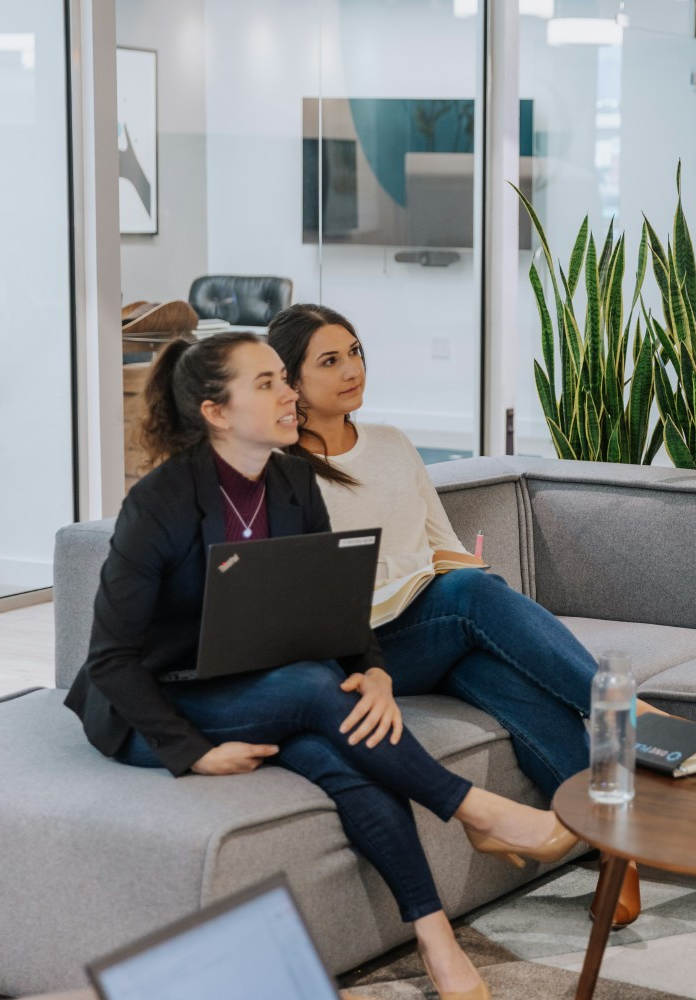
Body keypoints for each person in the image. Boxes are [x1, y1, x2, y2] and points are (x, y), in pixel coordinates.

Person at [64, 332, 577, 1000]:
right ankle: (476, 811)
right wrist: (190, 752)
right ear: (217, 412)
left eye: (285, 378)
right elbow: (110, 658)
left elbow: (324, 602)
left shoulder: (292, 478)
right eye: (268, 383)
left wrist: (376, 671)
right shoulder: (159, 503)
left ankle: (435, 938)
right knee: (312, 686)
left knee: (339, 750)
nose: (289, 394)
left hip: (248, 684)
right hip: (155, 699)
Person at [265, 304, 647, 929]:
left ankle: (616, 853)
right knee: (472, 597)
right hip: (365, 649)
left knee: (515, 681)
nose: (350, 370)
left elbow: (441, 547)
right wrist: (473, 595)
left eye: (355, 352)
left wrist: (478, 586)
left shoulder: (391, 444)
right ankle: (624, 707)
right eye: (328, 361)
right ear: (292, 380)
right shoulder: (280, 470)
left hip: (432, 629)